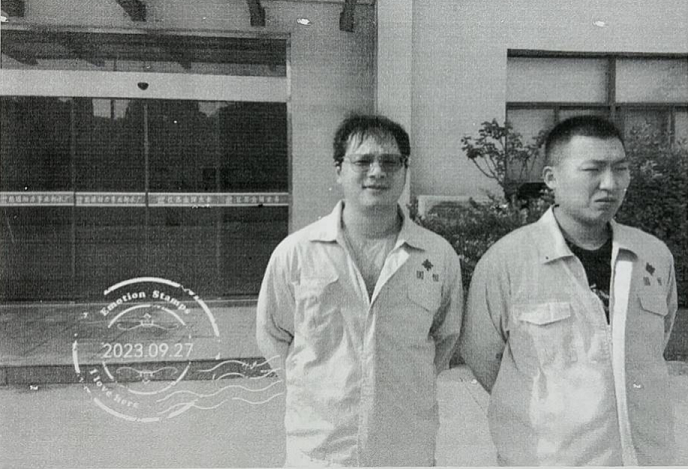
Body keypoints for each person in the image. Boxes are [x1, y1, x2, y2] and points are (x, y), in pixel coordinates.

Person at [460, 115, 678, 466]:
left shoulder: (652, 256)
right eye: (593, 169)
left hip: (645, 457)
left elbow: (654, 342)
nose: (610, 183)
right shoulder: (508, 261)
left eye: (620, 169)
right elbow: (484, 357)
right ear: (551, 178)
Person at [256, 114, 463, 467]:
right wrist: (316, 393)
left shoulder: (437, 255)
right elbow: (273, 334)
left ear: (405, 170)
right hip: (321, 449)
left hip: (405, 447)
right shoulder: (297, 253)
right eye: (363, 161)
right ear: (339, 170)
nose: (377, 171)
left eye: (390, 161)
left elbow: (445, 338)